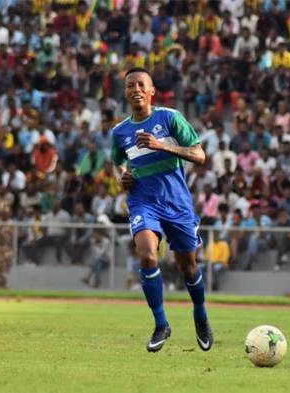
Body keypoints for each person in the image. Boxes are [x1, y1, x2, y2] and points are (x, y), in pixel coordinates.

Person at [110, 67, 213, 353]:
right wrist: (121, 175)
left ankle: (200, 315)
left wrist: (161, 146)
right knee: (147, 254)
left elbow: (199, 154)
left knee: (188, 266)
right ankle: (160, 323)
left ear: (151, 91)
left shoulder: (169, 118)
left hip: (177, 203)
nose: (136, 90)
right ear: (125, 92)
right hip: (143, 200)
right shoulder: (120, 132)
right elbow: (117, 161)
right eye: (130, 86)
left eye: (141, 85)